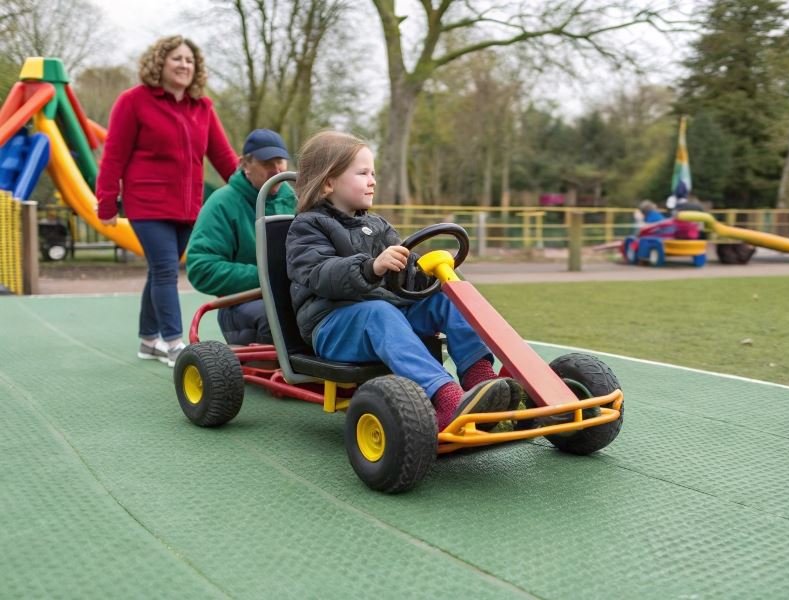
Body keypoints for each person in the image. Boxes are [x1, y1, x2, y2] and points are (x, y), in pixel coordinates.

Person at [285, 131, 511, 431]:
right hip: (333, 325)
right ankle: (445, 398)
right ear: (328, 183)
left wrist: (423, 272)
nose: (372, 180)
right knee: (380, 313)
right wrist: (371, 267)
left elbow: (403, 276)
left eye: (373, 173)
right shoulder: (306, 227)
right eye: (363, 173)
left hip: (385, 311)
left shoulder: (377, 225)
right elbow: (320, 274)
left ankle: (479, 376)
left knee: (445, 296)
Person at [96, 35, 238, 367]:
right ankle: (174, 343)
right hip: (147, 203)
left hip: (187, 207)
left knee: (160, 270)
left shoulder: (202, 107)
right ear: (160, 63)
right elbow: (113, 156)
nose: (184, 65)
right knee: (165, 271)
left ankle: (148, 340)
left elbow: (222, 156)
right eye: (177, 58)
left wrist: (253, 188)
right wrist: (106, 202)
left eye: (190, 60)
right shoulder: (133, 102)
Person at [186, 129, 294, 345]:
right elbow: (201, 268)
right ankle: (269, 370)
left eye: (280, 162)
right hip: (241, 303)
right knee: (280, 314)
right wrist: (267, 276)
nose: (276, 170)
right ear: (245, 164)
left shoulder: (295, 199)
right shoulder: (222, 203)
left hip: (292, 294)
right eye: (267, 163)